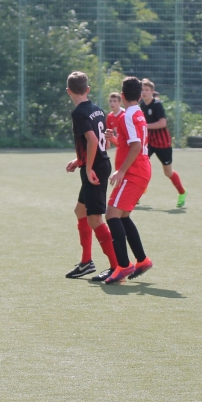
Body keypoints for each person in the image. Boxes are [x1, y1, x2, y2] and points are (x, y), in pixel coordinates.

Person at [64, 71, 119, 280]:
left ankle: (117, 267)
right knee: (80, 211)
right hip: (99, 163)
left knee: (95, 219)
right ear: (87, 89)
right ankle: (86, 262)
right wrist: (80, 160)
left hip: (95, 168)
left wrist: (87, 169)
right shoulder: (97, 109)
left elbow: (93, 141)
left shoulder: (78, 113)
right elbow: (101, 143)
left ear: (68, 91)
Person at [103, 77, 154, 284]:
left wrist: (121, 171)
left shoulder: (127, 116)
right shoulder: (138, 113)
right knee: (122, 216)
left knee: (111, 215)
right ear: (140, 96)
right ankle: (142, 260)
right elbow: (131, 143)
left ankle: (124, 265)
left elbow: (136, 147)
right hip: (141, 169)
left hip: (133, 172)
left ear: (122, 96)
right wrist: (114, 139)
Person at [140, 79, 187, 208]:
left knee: (168, 172)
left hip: (162, 143)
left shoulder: (157, 105)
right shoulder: (142, 105)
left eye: (146, 90)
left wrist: (145, 126)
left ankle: (182, 192)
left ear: (152, 92)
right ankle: (139, 192)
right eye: (142, 90)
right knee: (140, 164)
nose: (144, 92)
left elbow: (163, 123)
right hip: (149, 142)